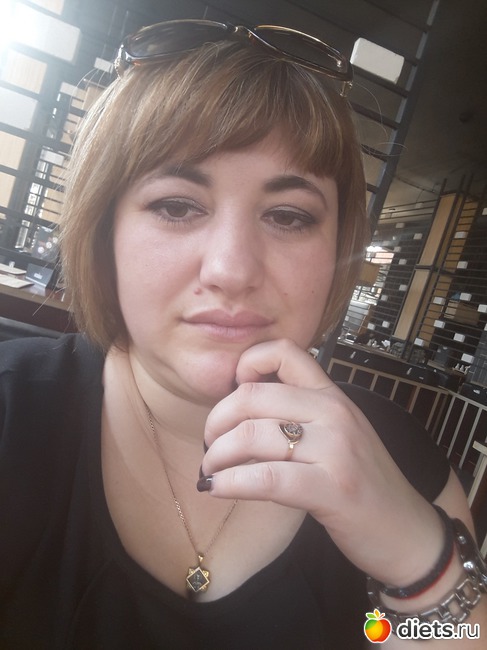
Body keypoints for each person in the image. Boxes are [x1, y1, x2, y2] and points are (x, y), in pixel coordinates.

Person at [0, 19, 485, 649]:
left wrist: (420, 557)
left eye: (288, 216)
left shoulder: (399, 458)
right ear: (104, 232)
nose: (231, 269)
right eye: (177, 206)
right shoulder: (14, 412)